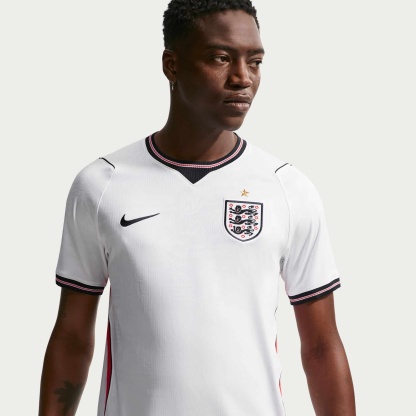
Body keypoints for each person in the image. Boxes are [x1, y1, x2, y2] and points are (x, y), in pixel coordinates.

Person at [39, 1, 355, 415]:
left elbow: (321, 346)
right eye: (221, 58)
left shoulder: (287, 188)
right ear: (171, 65)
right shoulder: (103, 184)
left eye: (255, 61)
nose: (242, 78)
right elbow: (72, 338)